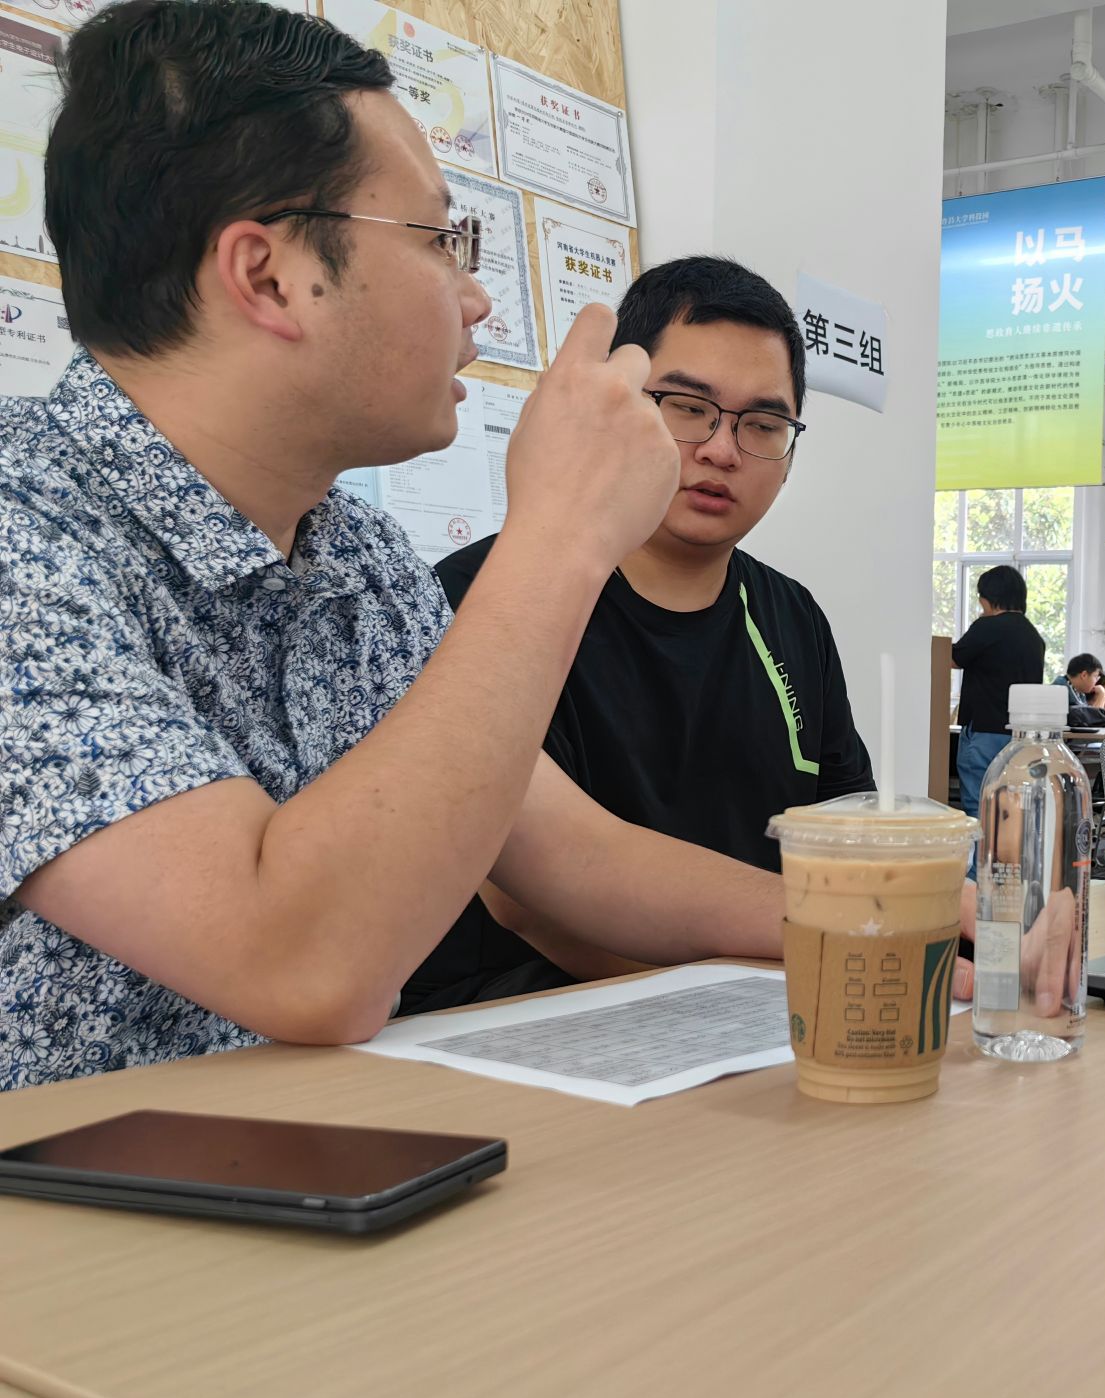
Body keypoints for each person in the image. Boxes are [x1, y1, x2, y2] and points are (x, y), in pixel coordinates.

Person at [0, 2, 791, 1088]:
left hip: (304, 1161)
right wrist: (562, 530)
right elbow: (300, 963)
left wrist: (889, 915)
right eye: (438, 241)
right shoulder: (24, 527)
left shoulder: (357, 553)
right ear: (268, 275)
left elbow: (569, 852)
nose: (476, 299)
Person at [403, 257, 874, 1013]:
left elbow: (844, 836)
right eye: (688, 407)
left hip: (763, 1013)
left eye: (763, 424)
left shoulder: (793, 618)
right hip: (531, 1020)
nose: (722, 449)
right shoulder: (490, 595)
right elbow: (529, 901)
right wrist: (756, 1002)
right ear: (621, 405)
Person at [951, 564, 1046, 817]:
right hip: (1020, 735)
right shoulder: (1033, 636)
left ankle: (981, 845)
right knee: (1012, 810)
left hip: (984, 731)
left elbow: (952, 658)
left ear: (988, 598)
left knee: (979, 806)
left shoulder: (987, 627)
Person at [1062, 653, 1105, 728]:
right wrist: (1102, 694)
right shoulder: (1061, 689)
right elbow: (1090, 721)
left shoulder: (1079, 693)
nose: (1096, 681)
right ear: (1084, 675)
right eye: (1095, 677)